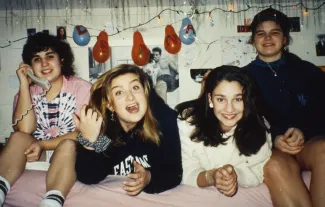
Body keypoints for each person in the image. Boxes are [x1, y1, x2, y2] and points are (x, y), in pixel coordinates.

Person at [39, 64, 182, 206]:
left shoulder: (163, 121)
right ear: (110, 105)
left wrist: (149, 178)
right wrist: (89, 142)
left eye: (135, 88)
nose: (130, 97)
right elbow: (90, 176)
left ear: (146, 94)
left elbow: (174, 173)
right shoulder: (107, 131)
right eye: (119, 92)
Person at [242, 8, 325, 207]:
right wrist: (272, 139)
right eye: (260, 33)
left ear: (285, 39)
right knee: (276, 165)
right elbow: (242, 124)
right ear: (253, 40)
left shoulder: (308, 71)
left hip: (308, 145)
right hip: (271, 149)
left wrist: (302, 131)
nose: (267, 37)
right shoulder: (242, 78)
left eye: (275, 32)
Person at [0, 32, 91, 206]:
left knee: (68, 144)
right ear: (29, 66)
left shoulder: (82, 88)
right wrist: (24, 85)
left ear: (61, 59)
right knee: (18, 137)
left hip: (69, 155)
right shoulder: (25, 93)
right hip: (36, 157)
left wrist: (43, 144)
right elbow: (24, 131)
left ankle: (52, 201)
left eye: (50, 56)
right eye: (36, 59)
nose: (44, 63)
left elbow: (85, 134)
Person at [176, 66, 272, 196]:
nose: (229, 109)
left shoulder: (259, 125)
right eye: (221, 99)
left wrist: (233, 175)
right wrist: (212, 176)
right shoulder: (188, 123)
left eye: (238, 99)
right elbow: (186, 172)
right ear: (210, 99)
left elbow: (259, 171)